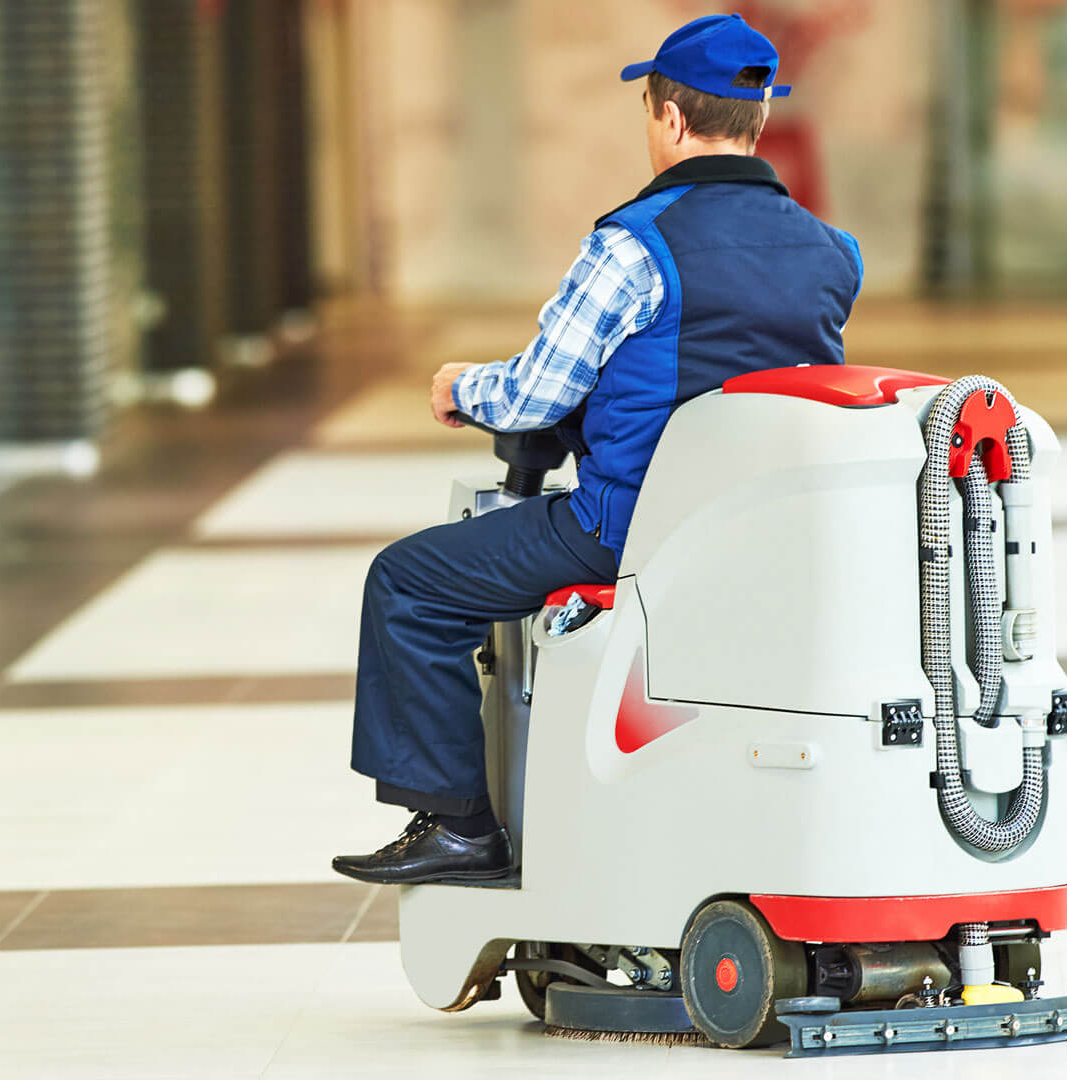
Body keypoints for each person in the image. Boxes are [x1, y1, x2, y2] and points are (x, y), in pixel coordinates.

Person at [333, 13, 864, 885]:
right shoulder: (832, 252)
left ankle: (460, 827)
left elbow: (537, 393)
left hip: (628, 531)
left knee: (410, 583)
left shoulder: (632, 246)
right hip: (769, 531)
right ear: (758, 118)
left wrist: (460, 387)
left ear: (668, 118)